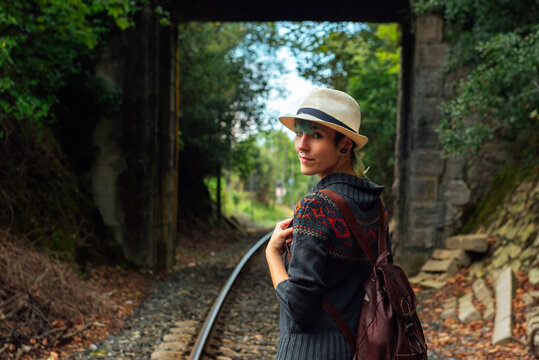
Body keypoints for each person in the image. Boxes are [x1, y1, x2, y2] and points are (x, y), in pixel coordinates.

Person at [266, 87, 391, 359]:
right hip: (359, 348)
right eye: (300, 132)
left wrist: (272, 255)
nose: (301, 145)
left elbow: (300, 310)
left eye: (316, 135)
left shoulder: (316, 206)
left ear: (345, 144)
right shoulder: (375, 205)